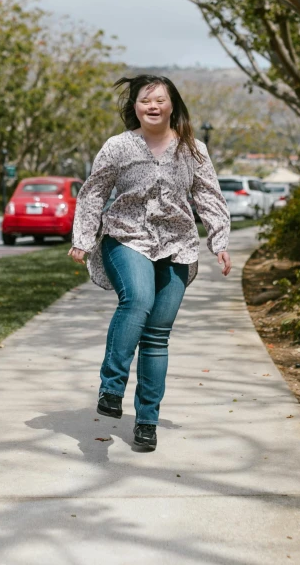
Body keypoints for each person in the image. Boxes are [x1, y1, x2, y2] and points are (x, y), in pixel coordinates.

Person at [69, 75, 231, 451]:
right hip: (126, 237)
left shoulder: (193, 149)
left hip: (176, 245)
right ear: (135, 107)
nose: (153, 106)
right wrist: (82, 238)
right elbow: (94, 192)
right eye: (145, 101)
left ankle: (146, 423)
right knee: (137, 300)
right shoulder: (118, 146)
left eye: (160, 100)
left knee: (157, 336)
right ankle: (111, 389)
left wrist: (219, 241)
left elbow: (208, 196)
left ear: (173, 104)